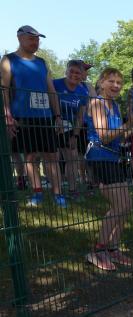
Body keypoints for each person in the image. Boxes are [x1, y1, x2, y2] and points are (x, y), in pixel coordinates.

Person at [85, 68, 133, 271]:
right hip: (99, 157)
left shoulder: (113, 105)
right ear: (101, 83)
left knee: (126, 205)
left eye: (119, 82)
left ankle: (113, 248)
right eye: (111, 81)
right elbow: (104, 136)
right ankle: (98, 250)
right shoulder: (97, 103)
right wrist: (129, 123)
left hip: (112, 158)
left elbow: (119, 136)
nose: (116, 85)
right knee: (120, 204)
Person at [1, 25, 65, 207]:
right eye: (31, 38)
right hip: (22, 116)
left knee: (52, 156)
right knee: (30, 157)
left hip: (45, 116)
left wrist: (58, 116)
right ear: (20, 38)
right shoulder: (8, 60)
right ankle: (37, 193)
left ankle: (58, 194)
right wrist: (7, 114)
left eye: (37, 39)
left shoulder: (42, 62)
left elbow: (51, 90)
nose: (35, 42)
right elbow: (4, 89)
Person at [53, 59, 90, 199]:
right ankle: (56, 191)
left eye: (77, 73)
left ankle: (72, 189)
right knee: (52, 157)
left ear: (82, 75)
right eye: (71, 71)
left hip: (68, 127)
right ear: (66, 71)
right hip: (49, 124)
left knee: (72, 157)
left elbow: (80, 116)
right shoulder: (55, 84)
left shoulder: (83, 92)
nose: (74, 75)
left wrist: (75, 136)